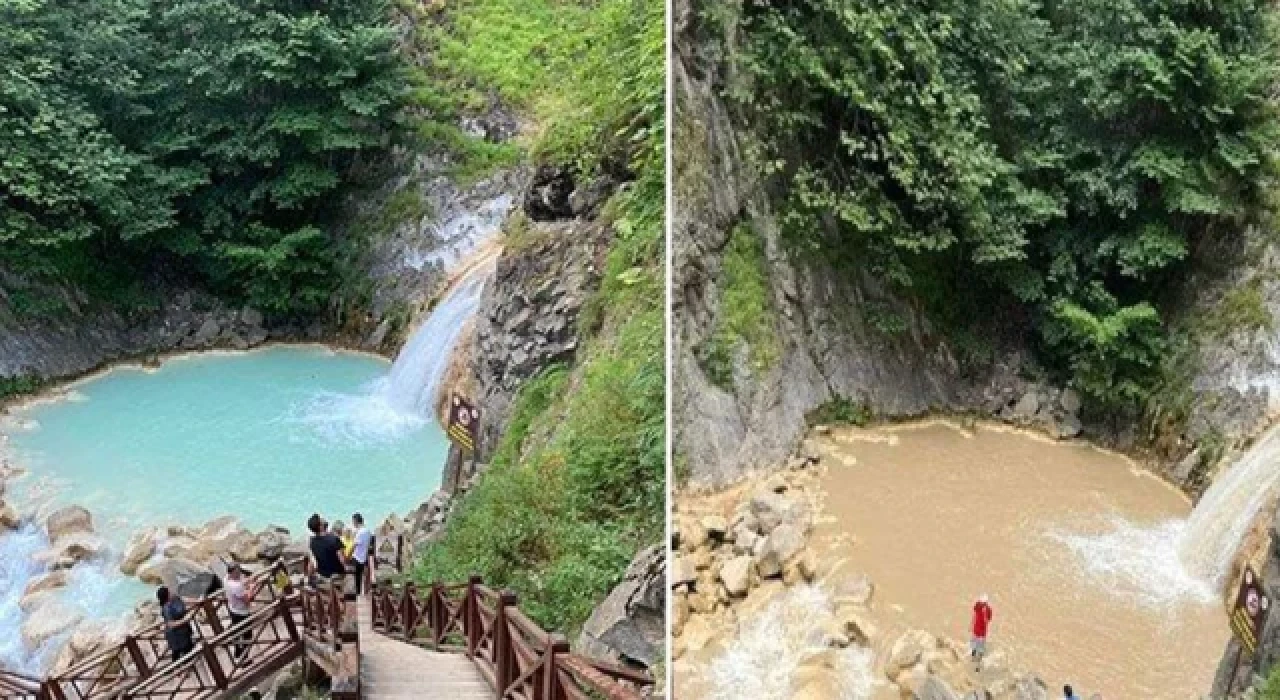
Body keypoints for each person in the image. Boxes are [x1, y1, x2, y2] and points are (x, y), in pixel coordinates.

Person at [224, 562, 261, 661]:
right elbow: (247, 600)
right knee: (247, 635)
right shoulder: (236, 586)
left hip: (233, 609)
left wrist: (248, 581)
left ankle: (237, 652)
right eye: (237, 572)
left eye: (239, 571)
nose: (239, 573)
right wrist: (253, 587)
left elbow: (240, 582)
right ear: (232, 573)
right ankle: (244, 657)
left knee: (236, 632)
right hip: (242, 613)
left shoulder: (226, 578)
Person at [158, 586, 195, 662]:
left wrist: (198, 601)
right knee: (180, 653)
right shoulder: (166, 609)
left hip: (184, 630)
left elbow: (185, 600)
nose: (171, 591)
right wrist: (185, 620)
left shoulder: (175, 598)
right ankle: (179, 669)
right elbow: (171, 624)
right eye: (169, 591)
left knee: (189, 648)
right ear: (167, 595)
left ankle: (183, 667)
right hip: (175, 635)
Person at [308, 513, 346, 583]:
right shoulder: (334, 539)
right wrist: (347, 570)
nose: (322, 519)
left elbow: (312, 561)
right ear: (320, 527)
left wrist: (309, 578)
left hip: (322, 575)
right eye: (321, 520)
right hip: (337, 576)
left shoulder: (312, 542)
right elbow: (342, 560)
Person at [350, 513, 372, 595]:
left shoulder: (360, 533)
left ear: (356, 521)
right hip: (364, 557)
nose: (353, 523)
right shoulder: (367, 531)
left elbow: (354, 546)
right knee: (361, 577)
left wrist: (347, 557)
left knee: (357, 578)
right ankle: (363, 593)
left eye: (353, 521)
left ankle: (357, 594)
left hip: (357, 558)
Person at [970, 594, 993, 665]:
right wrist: (971, 624)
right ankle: (973, 656)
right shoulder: (977, 605)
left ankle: (978, 661)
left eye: (983, 603)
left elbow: (987, 620)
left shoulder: (988, 610)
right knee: (974, 643)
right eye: (981, 602)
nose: (982, 603)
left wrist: (985, 614)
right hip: (976, 629)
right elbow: (974, 614)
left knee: (980, 646)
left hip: (982, 631)